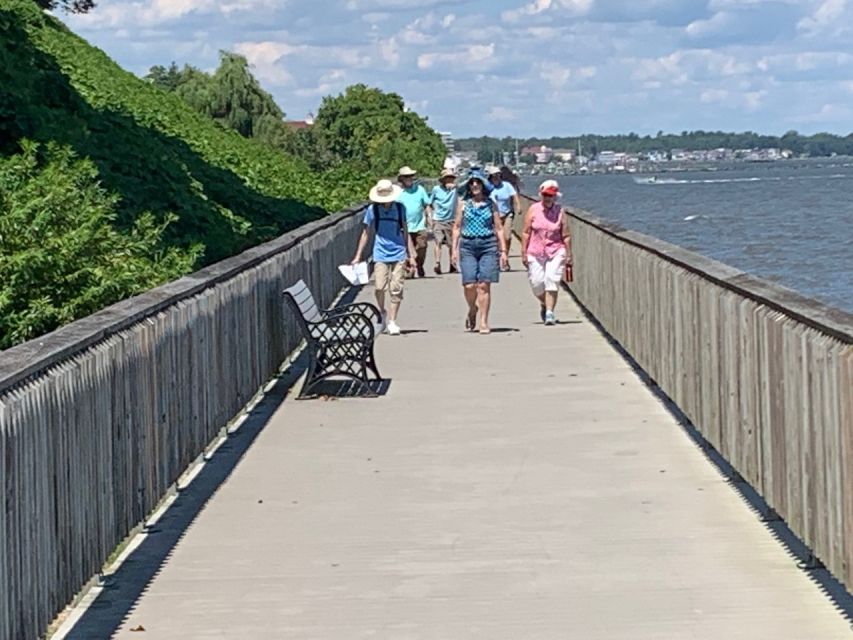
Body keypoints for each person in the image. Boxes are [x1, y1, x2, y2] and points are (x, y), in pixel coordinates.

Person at [351, 179, 417, 336]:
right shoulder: (372, 210)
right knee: (379, 286)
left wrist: (410, 254)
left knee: (396, 288)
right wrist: (358, 256)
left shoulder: (400, 209)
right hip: (380, 252)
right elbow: (366, 232)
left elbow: (405, 231)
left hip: (398, 251)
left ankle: (393, 321)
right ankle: (381, 311)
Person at [451, 170, 509, 334]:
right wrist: (454, 250)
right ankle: (472, 309)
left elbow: (498, 228)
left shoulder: (491, 204)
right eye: (472, 183)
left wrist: (503, 251)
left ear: (483, 185)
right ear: (469, 186)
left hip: (488, 245)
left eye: (478, 182)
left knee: (484, 284)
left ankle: (484, 321)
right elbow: (456, 227)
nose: (475, 185)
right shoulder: (463, 204)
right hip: (468, 245)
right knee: (469, 284)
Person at [520, 179, 572, 326]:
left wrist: (569, 255)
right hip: (535, 251)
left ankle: (550, 312)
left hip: (556, 250)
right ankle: (545, 303)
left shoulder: (560, 211)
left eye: (550, 195)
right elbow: (525, 232)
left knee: (551, 280)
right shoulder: (533, 209)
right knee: (536, 283)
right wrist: (523, 252)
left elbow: (566, 235)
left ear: (555, 196)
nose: (547, 198)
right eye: (545, 195)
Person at [396, 166, 431, 278]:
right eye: (406, 177)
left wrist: (429, 217)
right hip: (405, 225)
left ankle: (419, 264)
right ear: (402, 179)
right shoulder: (398, 192)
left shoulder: (419, 189)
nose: (409, 179)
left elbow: (426, 205)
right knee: (407, 249)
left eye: (410, 177)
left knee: (422, 246)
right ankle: (410, 269)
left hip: (419, 224)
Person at [486, 164, 520, 271]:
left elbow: (514, 196)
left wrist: (518, 206)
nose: (496, 177)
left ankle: (505, 258)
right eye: (494, 176)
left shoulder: (507, 185)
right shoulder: (488, 187)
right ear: (490, 177)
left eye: (498, 175)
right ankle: (497, 259)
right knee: (496, 239)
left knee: (507, 237)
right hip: (494, 216)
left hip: (507, 213)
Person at [429, 168, 458, 274]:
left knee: (451, 244)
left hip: (451, 219)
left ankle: (452, 264)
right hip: (438, 219)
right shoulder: (436, 189)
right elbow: (430, 202)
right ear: (443, 180)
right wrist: (431, 216)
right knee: (438, 241)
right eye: (447, 178)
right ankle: (437, 263)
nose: (450, 180)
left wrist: (456, 186)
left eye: (451, 178)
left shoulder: (456, 190)